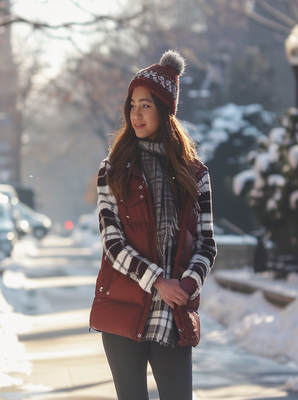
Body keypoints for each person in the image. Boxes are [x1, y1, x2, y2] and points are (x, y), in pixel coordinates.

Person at [89, 50, 217, 400]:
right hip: (124, 307)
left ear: (164, 108)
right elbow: (112, 243)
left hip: (173, 313)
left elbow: (206, 244)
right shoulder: (112, 169)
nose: (136, 113)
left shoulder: (196, 175)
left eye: (145, 104)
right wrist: (157, 281)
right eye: (132, 104)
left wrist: (186, 285)